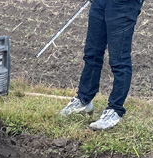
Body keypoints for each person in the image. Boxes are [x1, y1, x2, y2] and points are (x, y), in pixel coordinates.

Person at [59, 0, 145, 130]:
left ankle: (115, 110)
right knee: (92, 53)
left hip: (124, 4)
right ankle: (84, 100)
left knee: (119, 59)